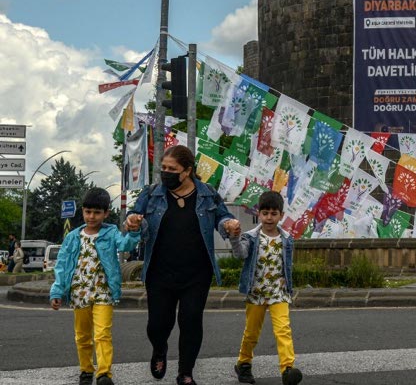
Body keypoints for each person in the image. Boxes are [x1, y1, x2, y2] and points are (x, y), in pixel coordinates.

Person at [124, 145, 241, 385]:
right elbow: (135, 215)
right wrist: (133, 221)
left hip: (197, 273)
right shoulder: (152, 193)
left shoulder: (207, 193)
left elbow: (223, 216)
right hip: (159, 270)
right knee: (158, 324)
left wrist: (230, 225)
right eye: (163, 168)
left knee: (191, 320)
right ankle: (159, 350)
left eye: (172, 169)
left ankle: (185, 372)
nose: (165, 172)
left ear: (187, 171)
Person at [49, 188, 142, 385]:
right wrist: (57, 291)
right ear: (82, 211)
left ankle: (104, 374)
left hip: (104, 292)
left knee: (102, 334)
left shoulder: (111, 232)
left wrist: (134, 231)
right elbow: (62, 266)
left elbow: (125, 245)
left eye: (97, 212)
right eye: (88, 211)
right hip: (79, 294)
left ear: (106, 213)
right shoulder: (73, 237)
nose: (92, 216)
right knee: (82, 336)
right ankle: (85, 370)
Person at [230, 191, 302, 385]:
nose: (269, 218)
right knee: (252, 332)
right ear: (259, 214)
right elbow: (240, 255)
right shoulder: (251, 237)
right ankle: (243, 363)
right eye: (265, 213)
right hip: (256, 293)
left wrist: (287, 286)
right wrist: (234, 238)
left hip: (279, 293)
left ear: (281, 215)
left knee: (283, 330)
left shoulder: (287, 239)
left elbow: (287, 265)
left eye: (273, 213)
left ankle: (287, 369)